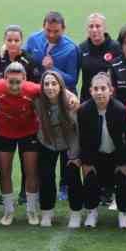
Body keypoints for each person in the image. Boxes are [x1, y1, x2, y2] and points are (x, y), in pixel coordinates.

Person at [0, 62, 44, 226]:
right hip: (4, 133)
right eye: (10, 82)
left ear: (24, 79)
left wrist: (72, 97)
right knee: (5, 172)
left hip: (29, 132)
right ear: (4, 79)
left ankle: (31, 211)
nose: (14, 86)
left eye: (18, 82)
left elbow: (56, 88)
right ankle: (8, 211)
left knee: (31, 171)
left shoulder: (32, 89)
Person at [77, 73, 126, 230]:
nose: (99, 92)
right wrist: (87, 163)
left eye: (103, 88)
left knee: (123, 179)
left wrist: (123, 162)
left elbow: (125, 140)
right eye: (96, 89)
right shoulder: (84, 111)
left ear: (111, 90)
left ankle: (123, 214)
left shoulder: (120, 110)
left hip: (116, 156)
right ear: (90, 91)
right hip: (96, 156)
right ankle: (92, 213)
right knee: (89, 178)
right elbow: (84, 140)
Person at [34, 70, 83, 228]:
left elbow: (78, 131)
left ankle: (75, 213)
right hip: (47, 143)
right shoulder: (38, 100)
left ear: (61, 86)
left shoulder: (71, 103)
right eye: (46, 84)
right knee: (46, 176)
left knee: (72, 176)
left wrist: (75, 155)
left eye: (54, 83)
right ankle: (47, 212)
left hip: (69, 144)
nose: (50, 87)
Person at [26, 11, 81, 90]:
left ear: (63, 29)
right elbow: (22, 56)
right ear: (43, 27)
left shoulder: (71, 49)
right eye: (48, 30)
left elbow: (72, 81)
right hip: (37, 91)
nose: (51, 35)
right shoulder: (33, 39)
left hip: (61, 95)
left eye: (56, 31)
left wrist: (52, 69)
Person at [77, 13, 120, 97]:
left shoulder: (116, 48)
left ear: (105, 28)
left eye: (98, 26)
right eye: (91, 26)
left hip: (110, 99)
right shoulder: (82, 48)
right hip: (87, 98)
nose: (94, 30)